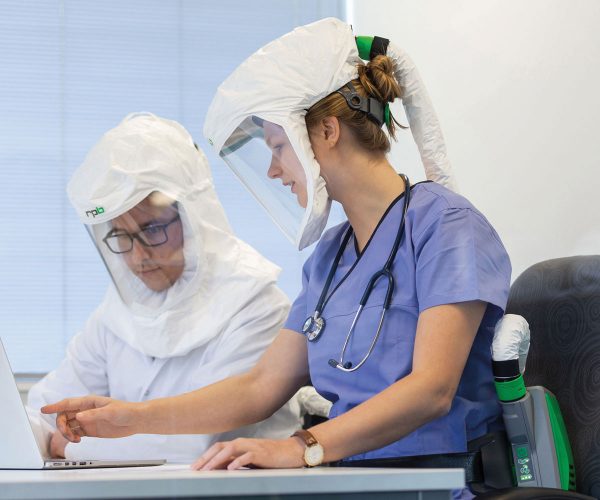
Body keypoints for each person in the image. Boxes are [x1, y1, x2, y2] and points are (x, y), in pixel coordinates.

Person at [43, 19, 510, 497]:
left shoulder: (447, 226)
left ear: (328, 130)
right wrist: (130, 418)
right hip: (356, 482)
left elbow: (431, 390)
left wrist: (305, 446)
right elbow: (260, 387)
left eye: (279, 147)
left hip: (442, 483)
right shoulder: (332, 256)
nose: (272, 169)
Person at [30, 112, 302, 462]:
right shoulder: (118, 316)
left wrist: (67, 446)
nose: (139, 256)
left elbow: (196, 441)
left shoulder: (255, 306)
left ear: (194, 218)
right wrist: (41, 436)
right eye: (121, 236)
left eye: (153, 230)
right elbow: (44, 409)